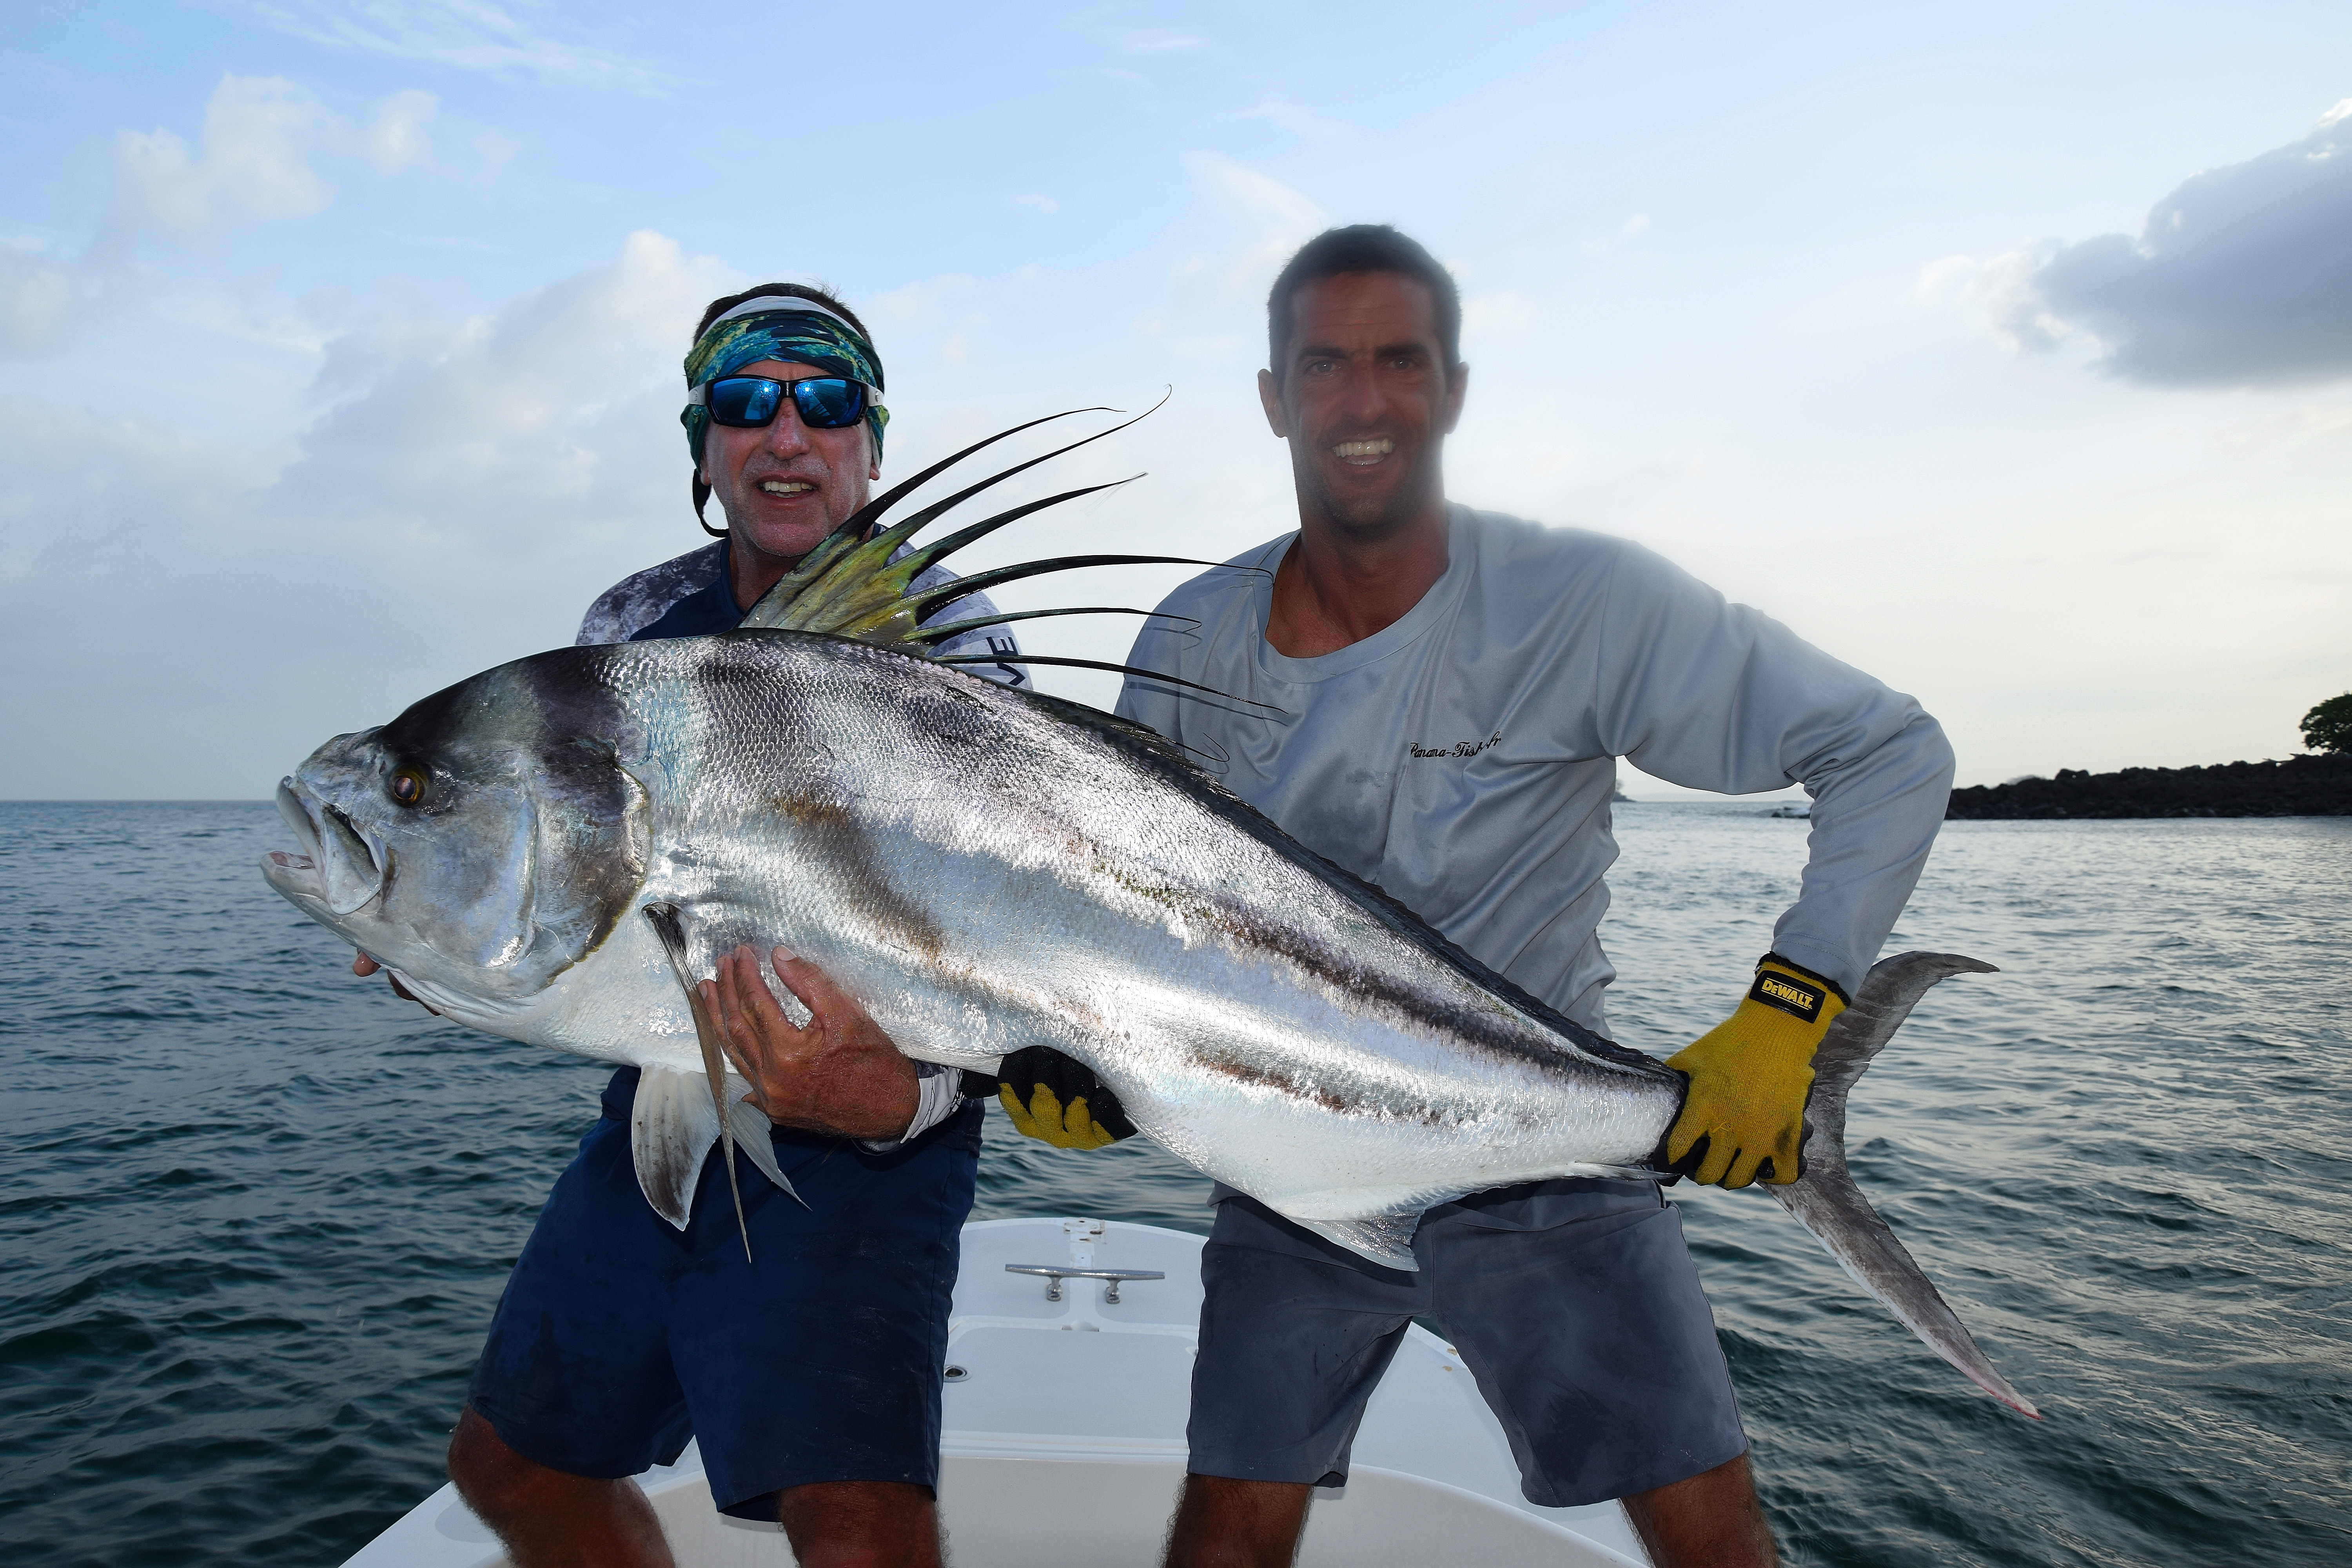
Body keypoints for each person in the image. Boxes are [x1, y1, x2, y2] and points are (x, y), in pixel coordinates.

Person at [1109, 226, 1956, 1568]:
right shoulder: (1188, 640)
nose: (1365, 401)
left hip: (1552, 1165)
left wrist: (1793, 1013)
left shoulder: (1584, 598)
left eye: (1402, 362)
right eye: (1325, 365)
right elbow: (1129, 918)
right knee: (1226, 1531)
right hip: (1289, 1154)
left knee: (1711, 1540)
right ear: (1273, 396)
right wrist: (1088, 1064)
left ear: (1453, 388)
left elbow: (1890, 750)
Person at [351, 282, 1087, 1568]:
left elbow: (1007, 941)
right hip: (667, 1096)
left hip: (880, 1139)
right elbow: (591, 914)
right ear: (704, 444)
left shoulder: (954, 643)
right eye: (746, 402)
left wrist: (896, 1097)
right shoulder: (632, 628)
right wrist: (451, 941)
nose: (785, 434)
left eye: (826, 401)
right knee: (510, 1469)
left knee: (850, 1520)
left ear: (871, 442)